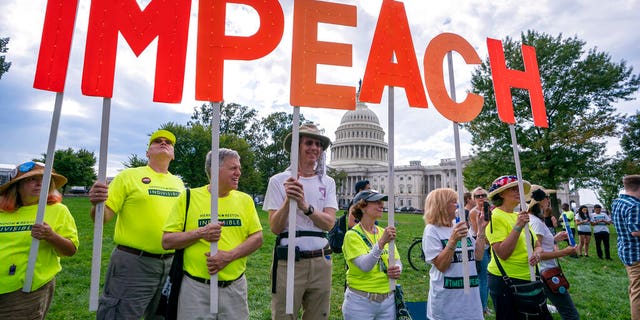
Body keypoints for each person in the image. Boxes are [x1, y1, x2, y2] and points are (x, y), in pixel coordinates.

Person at [89, 129, 184, 319]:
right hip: (134, 263)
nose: (163, 143)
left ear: (173, 155)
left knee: (162, 316)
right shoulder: (128, 176)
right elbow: (103, 217)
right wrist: (97, 204)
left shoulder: (179, 183)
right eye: (157, 141)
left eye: (169, 142)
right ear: (148, 152)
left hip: (170, 264)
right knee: (121, 315)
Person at [162, 149, 263, 319]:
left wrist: (228, 256)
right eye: (233, 168)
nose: (239, 172)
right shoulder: (188, 197)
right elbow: (167, 241)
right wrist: (201, 233)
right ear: (214, 169)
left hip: (234, 289)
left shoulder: (245, 200)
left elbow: (257, 238)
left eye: (239, 168)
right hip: (195, 290)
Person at [263, 123, 338, 319]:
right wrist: (289, 201)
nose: (314, 148)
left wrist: (306, 207)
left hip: (321, 260)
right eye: (309, 143)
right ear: (297, 147)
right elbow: (275, 227)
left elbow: (329, 223)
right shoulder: (279, 181)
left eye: (318, 144)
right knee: (285, 314)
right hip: (290, 260)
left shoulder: (327, 182)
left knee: (318, 315)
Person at [0, 161, 79, 319]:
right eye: (31, 179)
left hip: (25, 289)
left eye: (44, 179)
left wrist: (51, 236)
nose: (39, 183)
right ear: (17, 185)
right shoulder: (3, 211)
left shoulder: (57, 210)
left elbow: (70, 250)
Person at [484, 175, 550, 320]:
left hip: (530, 277)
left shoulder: (519, 214)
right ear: (501, 194)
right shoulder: (495, 216)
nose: (518, 192)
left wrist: (538, 253)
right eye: (513, 189)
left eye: (518, 189)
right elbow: (503, 253)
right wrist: (518, 226)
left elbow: (536, 244)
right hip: (506, 280)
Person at [422, 188, 488, 320]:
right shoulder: (432, 230)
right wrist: (452, 241)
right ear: (442, 205)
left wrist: (481, 229)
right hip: (447, 302)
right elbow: (441, 265)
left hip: (471, 300)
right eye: (453, 202)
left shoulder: (458, 225)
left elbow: (478, 256)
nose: (458, 205)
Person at [342, 189, 401, 319]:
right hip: (360, 302)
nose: (382, 205)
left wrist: (397, 269)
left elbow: (396, 259)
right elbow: (365, 266)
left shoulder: (382, 232)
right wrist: (381, 243)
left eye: (382, 202)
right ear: (362, 207)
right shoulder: (352, 235)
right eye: (376, 202)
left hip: (387, 301)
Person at [527, 185, 580, 319]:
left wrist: (555, 239)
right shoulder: (536, 222)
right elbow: (537, 254)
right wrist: (564, 252)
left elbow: (539, 243)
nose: (549, 200)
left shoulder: (536, 220)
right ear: (539, 201)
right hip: (547, 273)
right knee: (571, 315)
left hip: (544, 272)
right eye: (546, 197)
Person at [611, 174, 640, 320]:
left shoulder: (618, 202)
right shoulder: (635, 205)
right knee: (638, 293)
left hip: (626, 251)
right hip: (637, 254)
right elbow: (635, 231)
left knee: (634, 287)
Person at [468, 186, 492, 315]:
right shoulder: (474, 212)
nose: (481, 198)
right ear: (474, 199)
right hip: (479, 246)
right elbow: (479, 232)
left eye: (483, 195)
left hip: (489, 246)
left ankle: (483, 306)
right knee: (483, 278)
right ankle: (482, 308)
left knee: (486, 278)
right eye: (478, 196)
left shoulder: (491, 210)